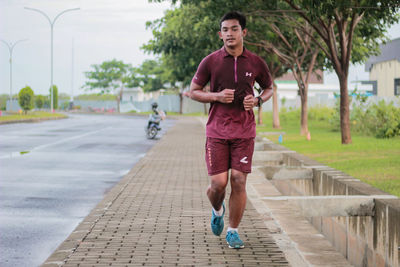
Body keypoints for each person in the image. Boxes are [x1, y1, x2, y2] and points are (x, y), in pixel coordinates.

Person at [189, 11, 273, 249]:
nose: (229, 34)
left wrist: (257, 101)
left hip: (244, 131)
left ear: (243, 32)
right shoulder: (211, 61)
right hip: (216, 131)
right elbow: (194, 91)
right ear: (220, 34)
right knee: (218, 185)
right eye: (225, 30)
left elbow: (269, 88)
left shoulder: (256, 62)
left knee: (238, 180)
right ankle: (217, 210)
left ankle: (233, 231)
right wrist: (215, 96)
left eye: (234, 29)